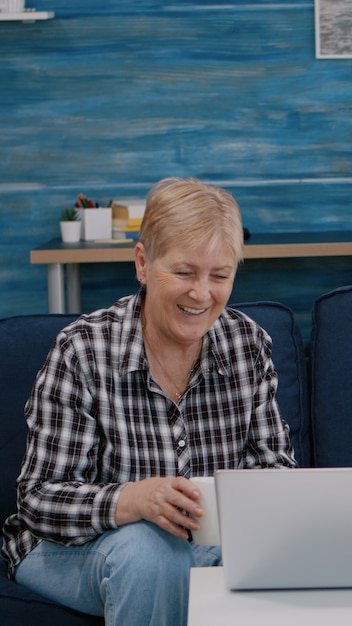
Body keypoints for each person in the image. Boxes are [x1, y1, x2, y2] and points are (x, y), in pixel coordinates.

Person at [2, 177, 296, 626]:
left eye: (220, 276)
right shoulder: (83, 351)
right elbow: (39, 501)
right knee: (150, 553)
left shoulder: (248, 344)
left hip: (203, 547)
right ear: (143, 262)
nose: (201, 293)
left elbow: (276, 474)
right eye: (183, 272)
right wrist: (134, 501)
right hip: (72, 548)